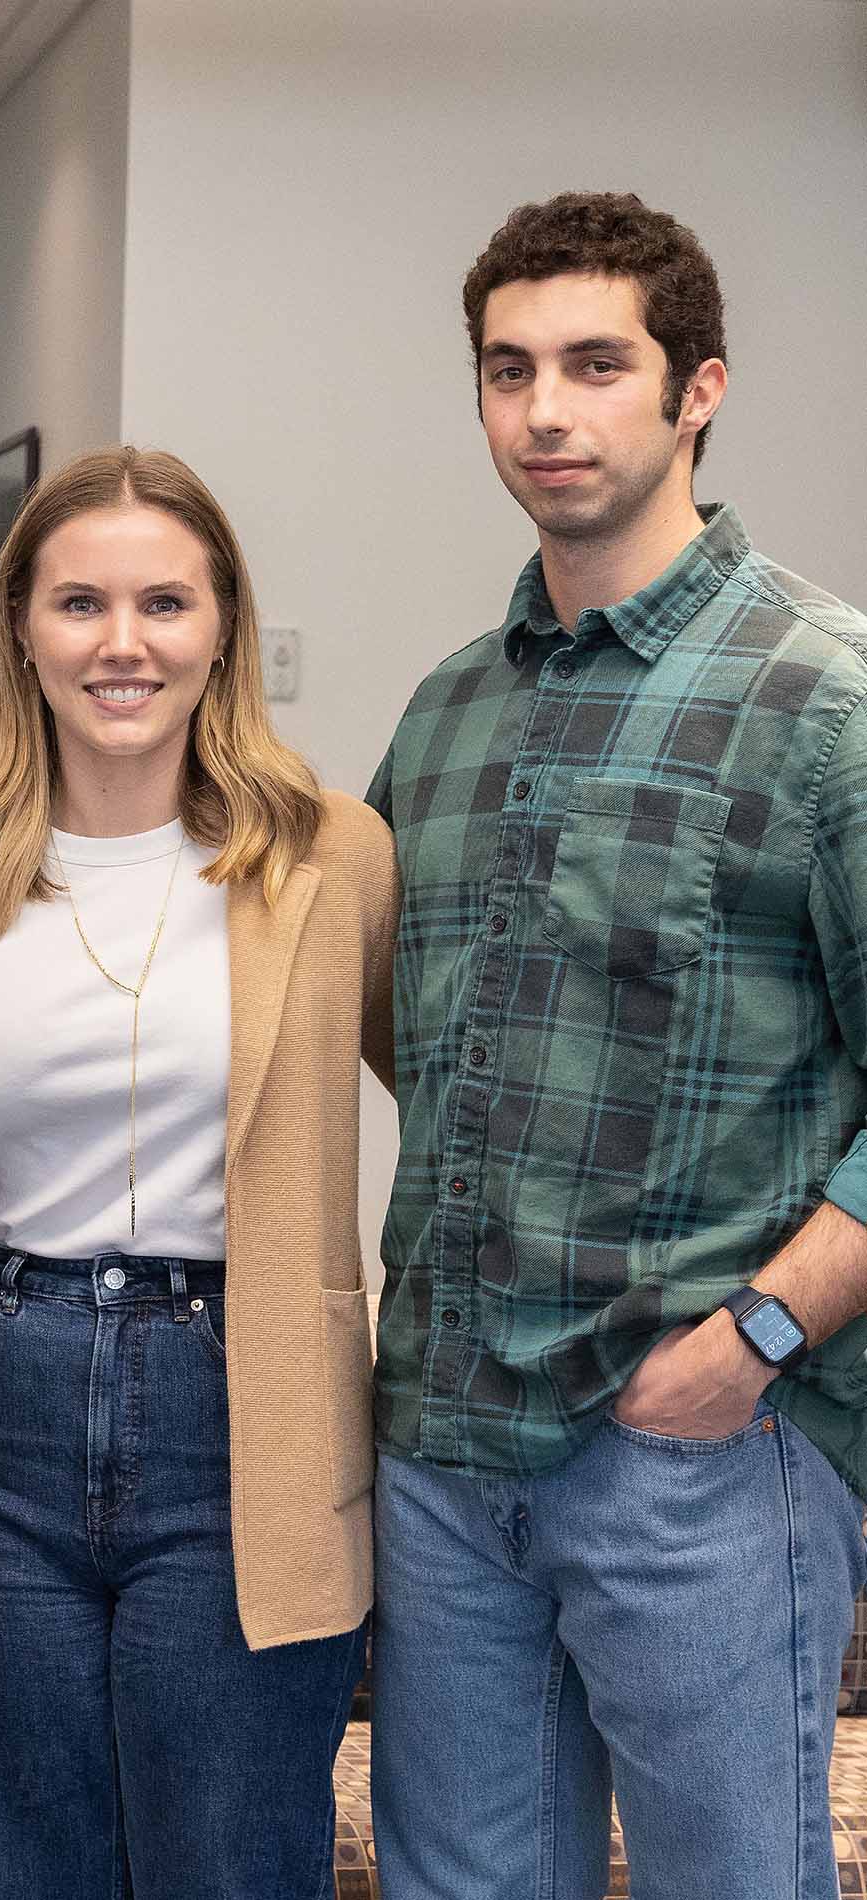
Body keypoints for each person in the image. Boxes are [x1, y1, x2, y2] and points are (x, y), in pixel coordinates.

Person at [366, 190, 867, 1899]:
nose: (547, 412)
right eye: (510, 371)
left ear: (699, 388)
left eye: (596, 363)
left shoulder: (831, 697)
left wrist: (758, 1338)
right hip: (443, 1449)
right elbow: (411, 1034)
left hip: (698, 1452)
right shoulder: (443, 715)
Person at [0, 445, 396, 1896]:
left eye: (165, 602)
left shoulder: (332, 860)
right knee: (32, 1864)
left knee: (229, 1859)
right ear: (21, 624)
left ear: (223, 628)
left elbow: (452, 1097)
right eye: (81, 602)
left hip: (247, 1405)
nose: (124, 643)